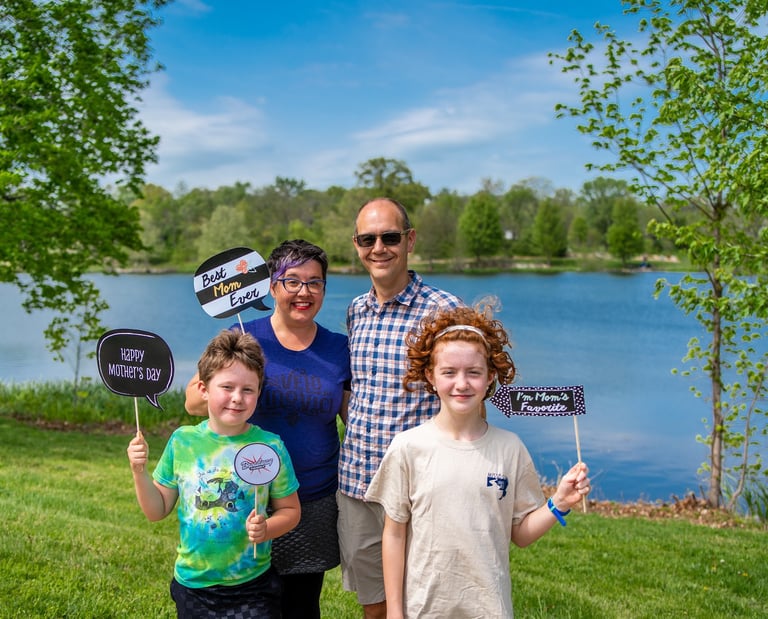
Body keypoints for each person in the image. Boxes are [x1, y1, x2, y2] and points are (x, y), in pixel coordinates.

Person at [364, 303, 592, 618]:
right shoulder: (407, 447)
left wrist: (560, 502)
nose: (462, 383)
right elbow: (394, 534)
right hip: (424, 609)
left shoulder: (510, 448)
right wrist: (394, 611)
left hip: (489, 608)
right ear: (430, 376)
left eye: (473, 372)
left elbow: (521, 535)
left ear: (490, 378)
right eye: (449, 372)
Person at [185, 239, 351, 619]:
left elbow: (351, 420)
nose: (303, 292)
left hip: (312, 498)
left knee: (301, 606)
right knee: (245, 604)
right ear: (272, 286)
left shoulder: (339, 348)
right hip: (244, 499)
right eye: (291, 281)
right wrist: (234, 376)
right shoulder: (244, 337)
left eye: (314, 282)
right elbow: (194, 403)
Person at [337, 197, 462, 618]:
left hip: (420, 489)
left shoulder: (442, 311)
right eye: (367, 238)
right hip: (358, 484)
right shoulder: (356, 311)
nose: (379, 248)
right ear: (356, 245)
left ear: (409, 240)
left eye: (389, 237)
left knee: (426, 603)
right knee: (376, 605)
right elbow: (358, 392)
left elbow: (468, 398)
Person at [127, 329, 301, 619]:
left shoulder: (270, 446)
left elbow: (291, 510)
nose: (237, 398)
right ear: (204, 389)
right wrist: (138, 471)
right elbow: (157, 510)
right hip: (194, 585)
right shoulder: (183, 441)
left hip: (253, 586)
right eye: (227, 387)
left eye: (248, 390)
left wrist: (268, 528)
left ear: (259, 392)